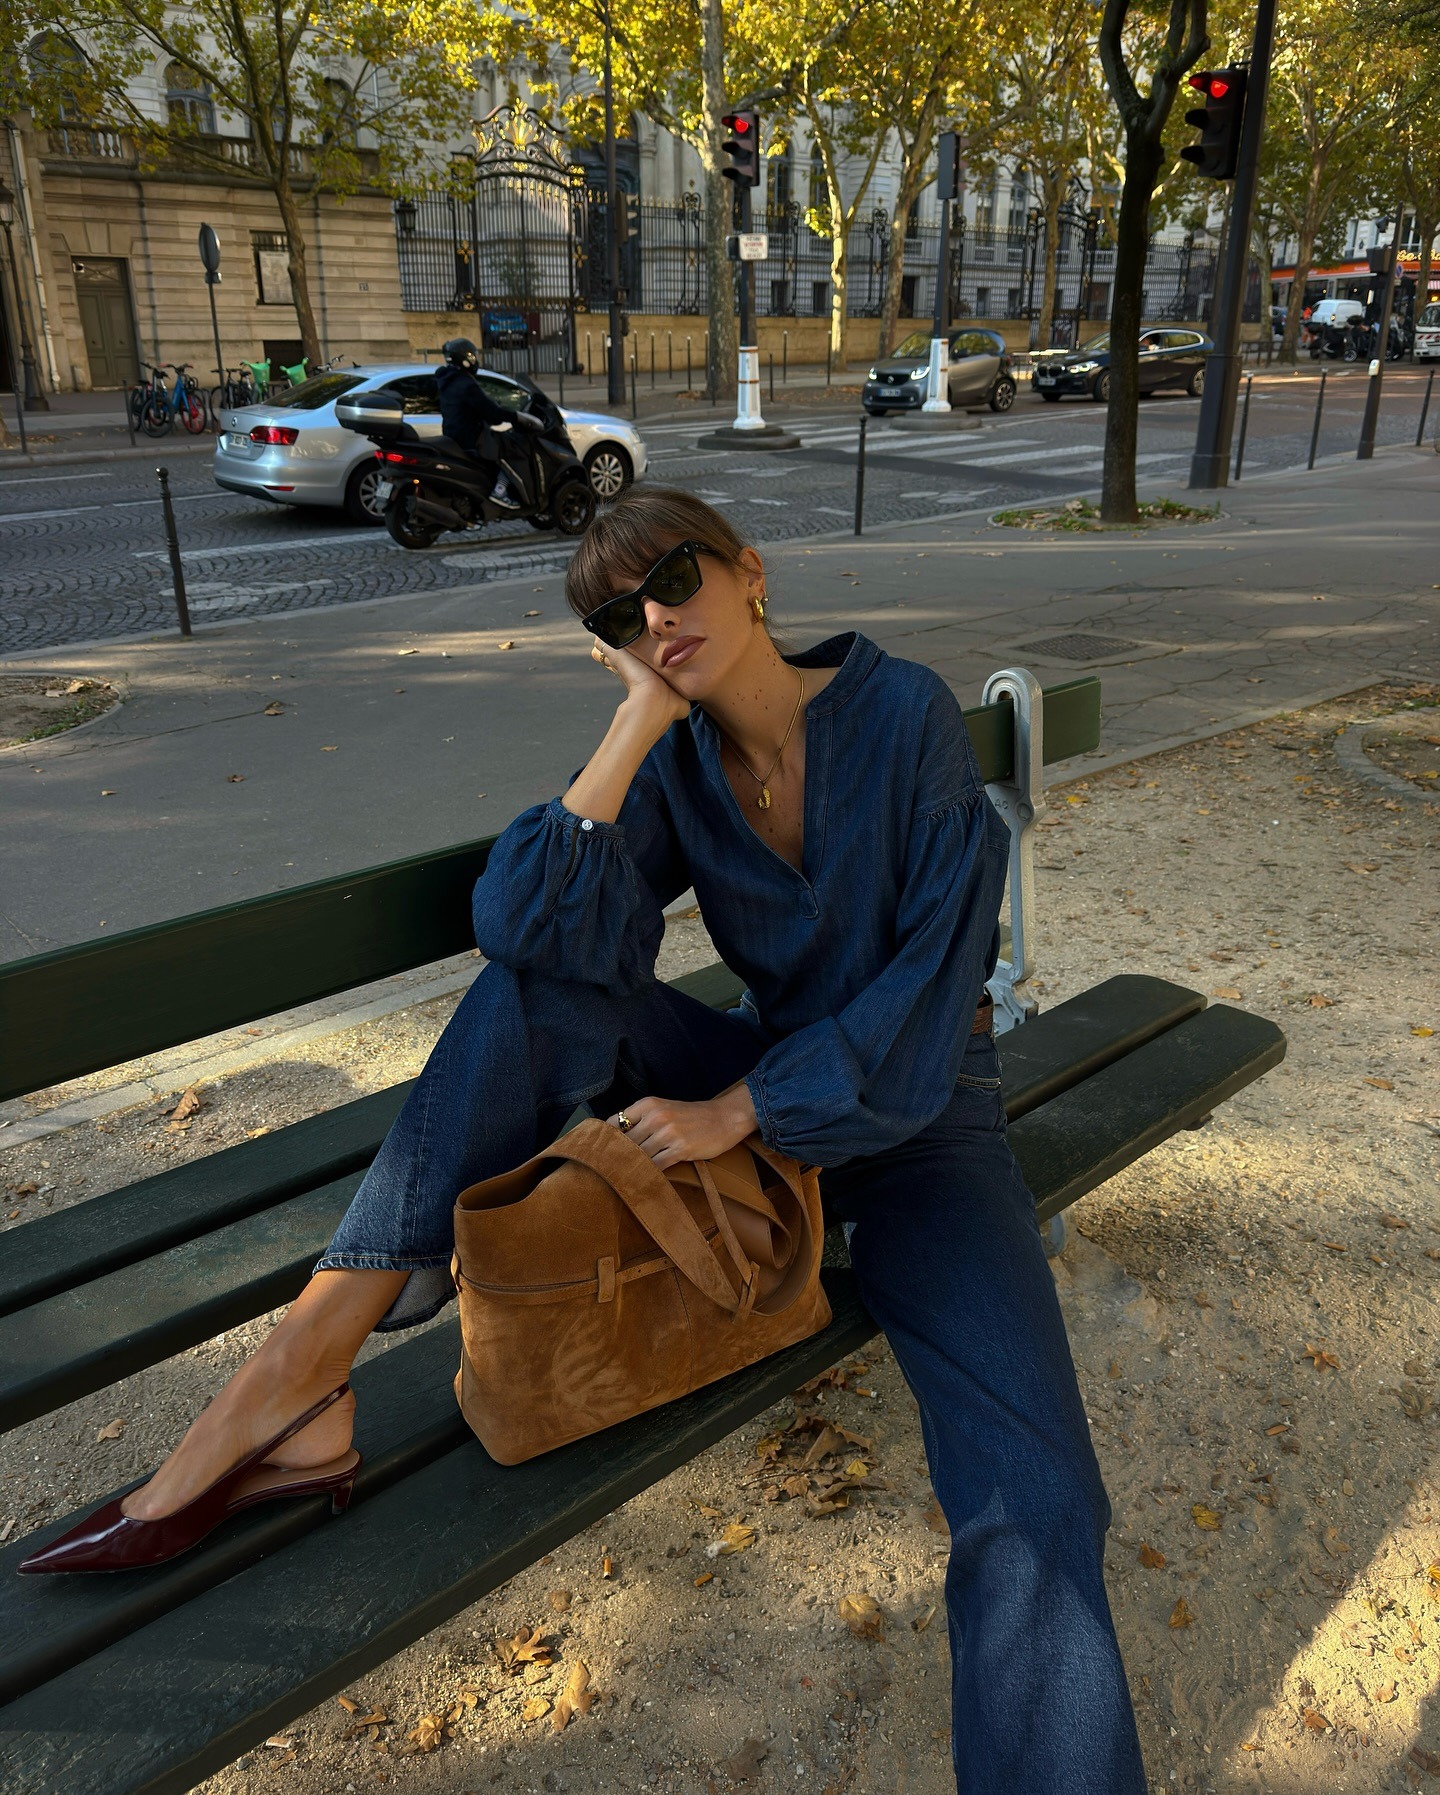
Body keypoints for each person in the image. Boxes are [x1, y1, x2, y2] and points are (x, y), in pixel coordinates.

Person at [20, 489, 1147, 1794]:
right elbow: (528, 926)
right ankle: (306, 1355)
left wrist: (745, 1109)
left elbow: (936, 983)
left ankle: (294, 1384)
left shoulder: (901, 716)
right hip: (765, 1091)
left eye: (674, 576)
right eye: (619, 613)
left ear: (750, 573)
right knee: (540, 976)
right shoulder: (674, 760)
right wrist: (636, 718)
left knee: (1034, 1492)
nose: (658, 614)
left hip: (920, 1115)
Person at [434, 337, 519, 507]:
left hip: (452, 434)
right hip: (471, 436)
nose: (475, 360)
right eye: (473, 356)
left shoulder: (446, 381)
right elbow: (487, 407)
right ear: (466, 359)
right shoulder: (466, 384)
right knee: (511, 449)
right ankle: (499, 491)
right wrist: (513, 416)